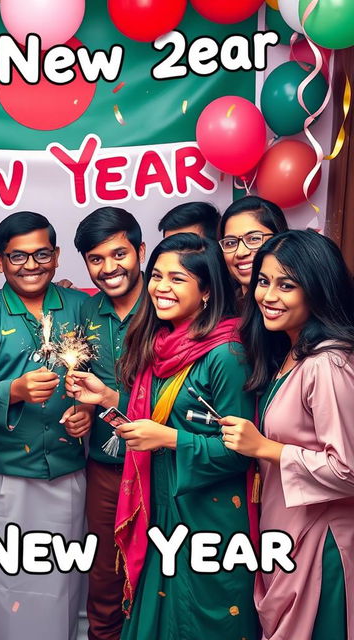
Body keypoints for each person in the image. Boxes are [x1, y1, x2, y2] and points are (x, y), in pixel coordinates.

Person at [67, 233, 259, 640]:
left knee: (201, 619)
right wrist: (106, 398)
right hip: (163, 504)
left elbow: (241, 452)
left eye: (177, 279)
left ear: (206, 291)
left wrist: (170, 440)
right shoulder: (161, 342)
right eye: (156, 276)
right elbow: (152, 418)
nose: (160, 287)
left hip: (208, 516)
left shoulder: (226, 354)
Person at [0, 211, 91, 640]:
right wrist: (14, 389)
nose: (30, 265)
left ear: (56, 257)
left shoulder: (81, 307)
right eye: (18, 256)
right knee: (3, 587)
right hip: (4, 477)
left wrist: (87, 413)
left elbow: (108, 379)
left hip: (67, 473)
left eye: (41, 254)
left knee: (63, 586)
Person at [220, 230, 354, 640]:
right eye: (264, 281)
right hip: (286, 530)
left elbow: (348, 470)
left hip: (322, 541)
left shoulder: (328, 364)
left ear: (318, 290)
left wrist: (265, 447)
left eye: (287, 285)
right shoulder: (290, 353)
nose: (269, 296)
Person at [73, 207, 145, 640]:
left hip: (161, 465)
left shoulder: (167, 304)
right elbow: (74, 373)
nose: (109, 268)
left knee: (156, 567)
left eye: (119, 254)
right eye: (96, 259)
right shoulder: (83, 311)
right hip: (103, 466)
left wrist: (111, 398)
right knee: (103, 575)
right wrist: (80, 409)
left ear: (140, 250)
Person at [219, 196, 288, 300]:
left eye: (254, 239)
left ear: (280, 239)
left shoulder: (296, 305)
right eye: (230, 243)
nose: (241, 252)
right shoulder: (220, 307)